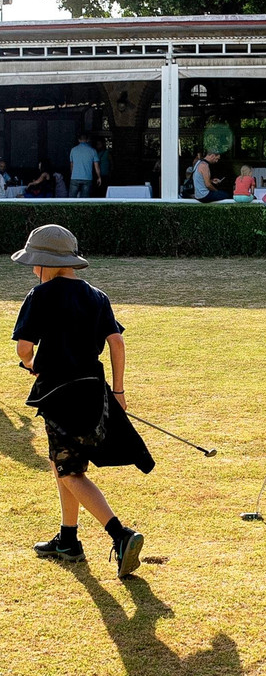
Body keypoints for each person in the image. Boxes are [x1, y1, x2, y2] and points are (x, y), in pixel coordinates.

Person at [11, 224, 154, 576]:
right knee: (64, 464)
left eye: (34, 263)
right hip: (94, 392)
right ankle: (68, 539)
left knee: (69, 471)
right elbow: (116, 343)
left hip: (60, 397)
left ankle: (120, 534)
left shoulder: (39, 296)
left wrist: (30, 365)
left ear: (46, 263)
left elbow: (24, 349)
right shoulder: (96, 295)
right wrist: (118, 391)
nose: (32, 270)